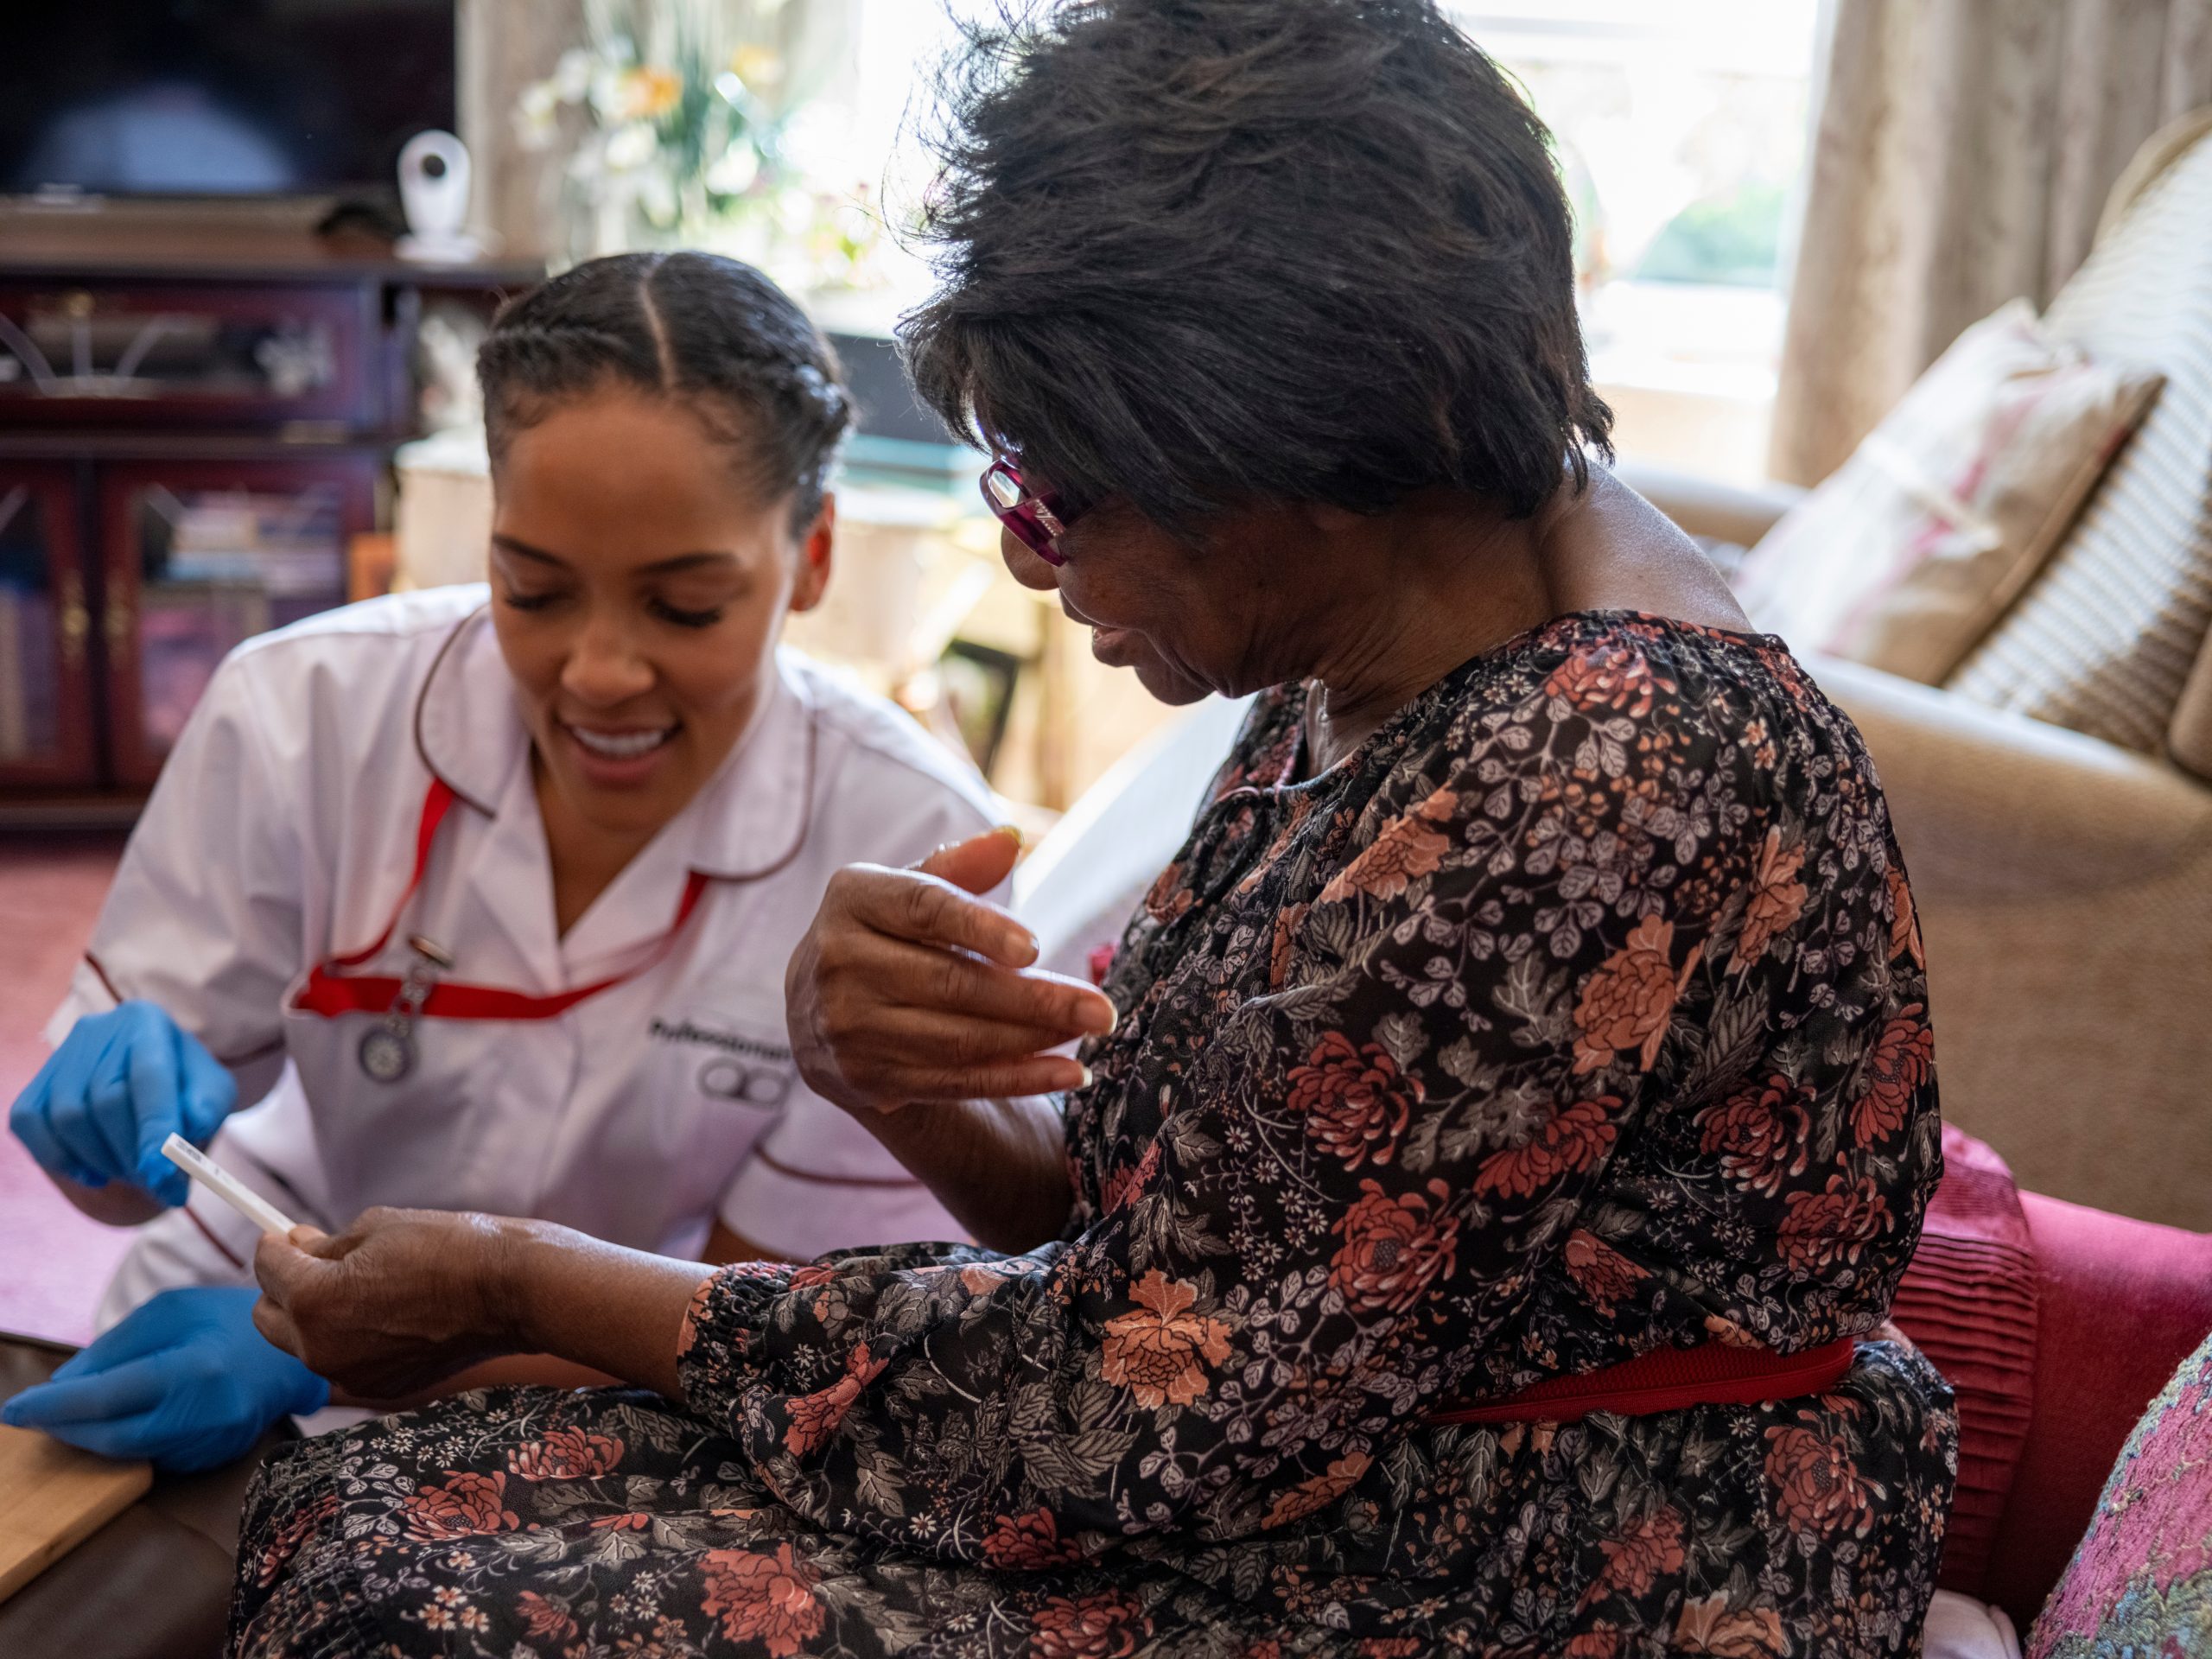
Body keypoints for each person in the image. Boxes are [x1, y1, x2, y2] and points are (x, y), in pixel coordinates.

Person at [223, 4, 1956, 1654]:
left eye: (1057, 499)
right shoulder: (1373, 651)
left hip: (1543, 1557)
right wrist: (897, 1080)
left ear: (1279, 453)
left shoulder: (1594, 777)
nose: (1023, 564)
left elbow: (1113, 1402)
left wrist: (521, 1281)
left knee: (418, 1599)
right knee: (370, 1513)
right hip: (1290, 1450)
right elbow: (1168, 1250)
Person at [2, 251, 1016, 1473]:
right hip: (249, 1302)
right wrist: (108, 1133)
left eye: (685, 608)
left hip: (637, 1398)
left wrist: (340, 1364)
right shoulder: (303, 713)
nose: (599, 674)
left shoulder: (908, 841)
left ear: (810, 558)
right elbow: (132, 1183)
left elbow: (773, 1322)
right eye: (532, 590)